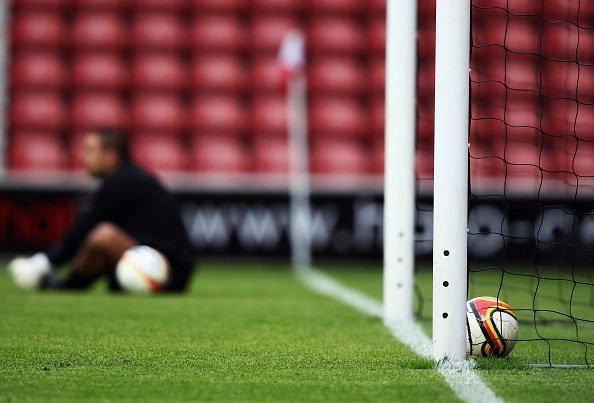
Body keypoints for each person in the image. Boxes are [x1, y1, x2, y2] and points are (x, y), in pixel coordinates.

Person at [8, 129, 195, 292]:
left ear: (110, 155)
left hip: (168, 271)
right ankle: (67, 285)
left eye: (90, 150)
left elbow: (83, 230)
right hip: (158, 263)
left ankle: (66, 286)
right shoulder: (130, 177)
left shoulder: (122, 181)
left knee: (103, 236)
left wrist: (42, 263)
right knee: (101, 242)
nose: (83, 157)